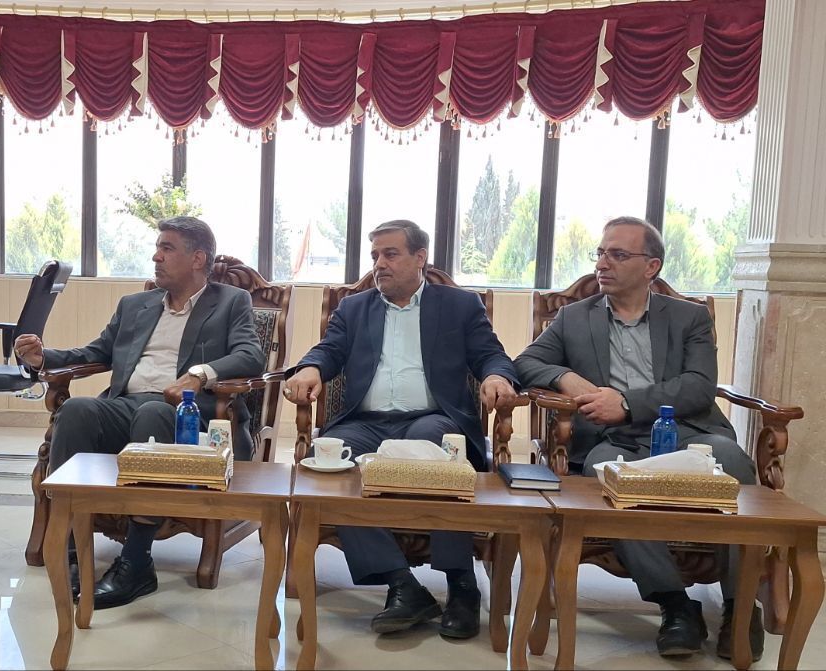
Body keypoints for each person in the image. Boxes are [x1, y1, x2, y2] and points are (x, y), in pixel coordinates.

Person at [514, 215, 762, 661]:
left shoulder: (688, 318)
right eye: (600, 253)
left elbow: (699, 386)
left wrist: (627, 402)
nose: (602, 263)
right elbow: (526, 362)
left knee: (734, 465)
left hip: (688, 433)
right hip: (615, 441)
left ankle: (740, 606)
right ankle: (675, 604)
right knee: (603, 474)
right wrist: (568, 378)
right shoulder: (574, 317)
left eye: (617, 254)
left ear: (651, 266)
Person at [283, 220, 518, 640]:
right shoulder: (354, 308)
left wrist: (497, 377)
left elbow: (490, 355)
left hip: (432, 418)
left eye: (390, 254)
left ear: (420, 257)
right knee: (328, 462)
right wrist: (311, 368)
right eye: (375, 255)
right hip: (365, 423)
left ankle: (461, 584)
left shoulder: (459, 305)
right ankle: (402, 584)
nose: (379, 264)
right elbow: (329, 350)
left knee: (432, 448)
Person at [14, 216, 265, 609]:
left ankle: (136, 562)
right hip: (125, 405)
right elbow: (96, 353)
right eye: (157, 247)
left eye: (167, 248)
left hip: (188, 415)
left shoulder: (231, 301)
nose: (156, 256)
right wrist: (44, 357)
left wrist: (199, 374)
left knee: (153, 413)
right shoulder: (135, 305)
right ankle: (71, 547)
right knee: (77, 410)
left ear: (198, 258)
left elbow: (251, 354)